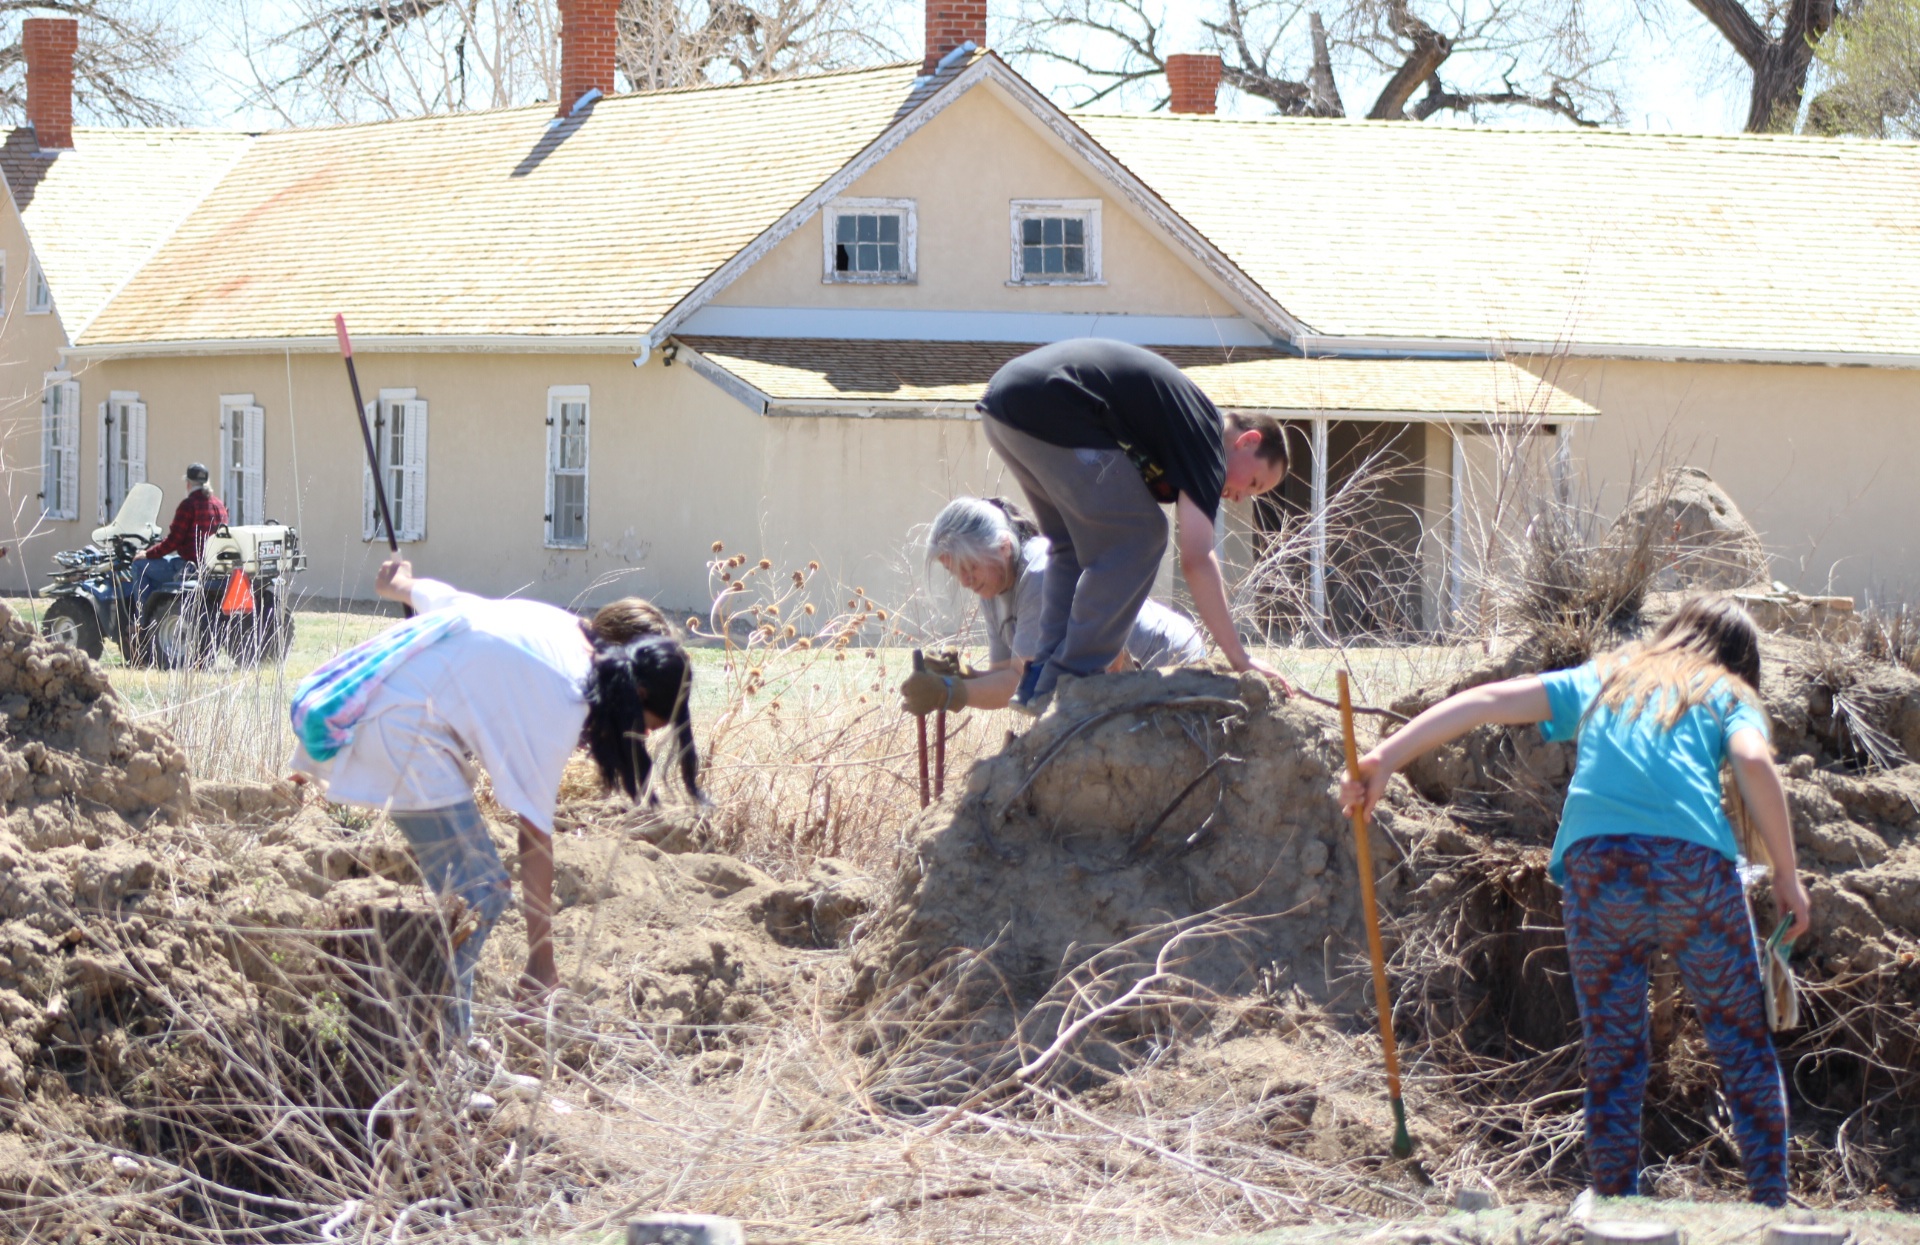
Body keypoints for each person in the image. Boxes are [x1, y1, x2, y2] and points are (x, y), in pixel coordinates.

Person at [1341, 596, 1811, 1206]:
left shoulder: (1606, 675)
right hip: (1692, 869)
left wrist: (1383, 758)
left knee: (1614, 1057)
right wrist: (1786, 875)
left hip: (1598, 869)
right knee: (1742, 1046)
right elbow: (1751, 758)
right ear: (1740, 662)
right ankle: (1772, 1209)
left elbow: (1486, 701)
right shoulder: (1726, 691)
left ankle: (1617, 1213)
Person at [290, 557, 701, 1032]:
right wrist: (541, 965)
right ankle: (438, 1048)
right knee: (478, 891)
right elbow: (534, 839)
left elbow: (452, 604)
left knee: (469, 892)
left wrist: (401, 585)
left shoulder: (561, 629)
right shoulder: (564, 698)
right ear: (637, 691)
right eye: (645, 726)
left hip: (395, 722)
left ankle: (440, 1032)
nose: (643, 740)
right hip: (398, 733)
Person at [976, 338, 1290, 714]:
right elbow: (1196, 557)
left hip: (1005, 403)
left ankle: (1040, 680)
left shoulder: (1182, 425)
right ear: (1247, 440)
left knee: (1070, 545)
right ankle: (1073, 679)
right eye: (1253, 483)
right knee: (1143, 535)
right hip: (1050, 406)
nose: (1241, 497)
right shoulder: (1207, 439)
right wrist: (1239, 658)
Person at [900, 495, 1205, 714]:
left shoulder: (1040, 574)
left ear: (1004, 547)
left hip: (1164, 659)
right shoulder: (991, 587)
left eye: (971, 568)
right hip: (1114, 676)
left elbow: (1021, 683)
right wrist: (961, 676)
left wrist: (950, 693)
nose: (965, 581)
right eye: (956, 571)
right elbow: (1005, 673)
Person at [135, 462, 227, 609]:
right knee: (167, 561)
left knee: (139, 566)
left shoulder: (188, 505)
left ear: (188, 484)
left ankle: (141, 618)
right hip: (213, 566)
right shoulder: (219, 505)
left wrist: (147, 553)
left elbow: (173, 541)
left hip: (190, 565)